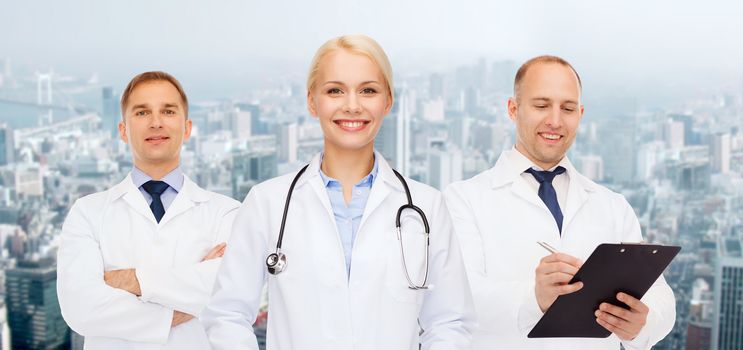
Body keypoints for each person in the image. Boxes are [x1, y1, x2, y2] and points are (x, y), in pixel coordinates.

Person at [202, 34, 475, 349]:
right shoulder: (268, 202)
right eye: (335, 91)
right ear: (312, 101)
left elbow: (450, 323)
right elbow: (226, 314)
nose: (352, 105)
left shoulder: (426, 206)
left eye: (368, 91)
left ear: (388, 101)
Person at [443, 55, 676, 349]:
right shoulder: (463, 199)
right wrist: (534, 298)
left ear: (580, 114)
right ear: (513, 109)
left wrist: (644, 323)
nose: (555, 120)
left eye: (567, 108)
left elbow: (659, 295)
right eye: (541, 105)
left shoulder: (612, 206)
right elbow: (456, 300)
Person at [57, 71, 240, 349]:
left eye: (167, 111)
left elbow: (232, 289)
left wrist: (130, 279)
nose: (156, 123)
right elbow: (79, 308)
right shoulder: (87, 213)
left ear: (187, 128)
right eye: (142, 113)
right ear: (123, 131)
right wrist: (189, 301)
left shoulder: (227, 213)